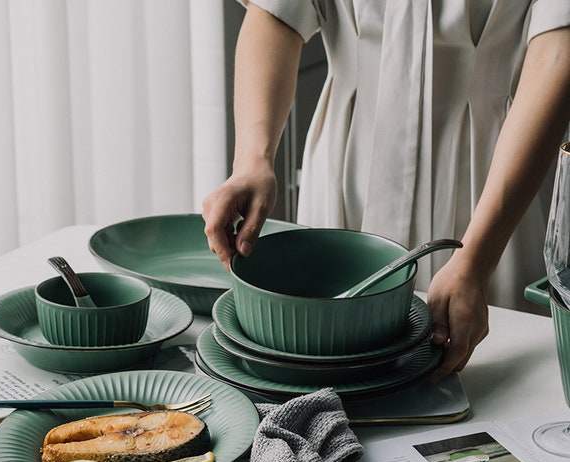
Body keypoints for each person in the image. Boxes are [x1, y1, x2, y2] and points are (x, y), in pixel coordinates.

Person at [202, 1, 570, 382]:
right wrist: (252, 160)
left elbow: (559, 51)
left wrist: (478, 259)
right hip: (345, 168)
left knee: (486, 390)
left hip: (492, 185)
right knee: (322, 377)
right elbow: (275, 13)